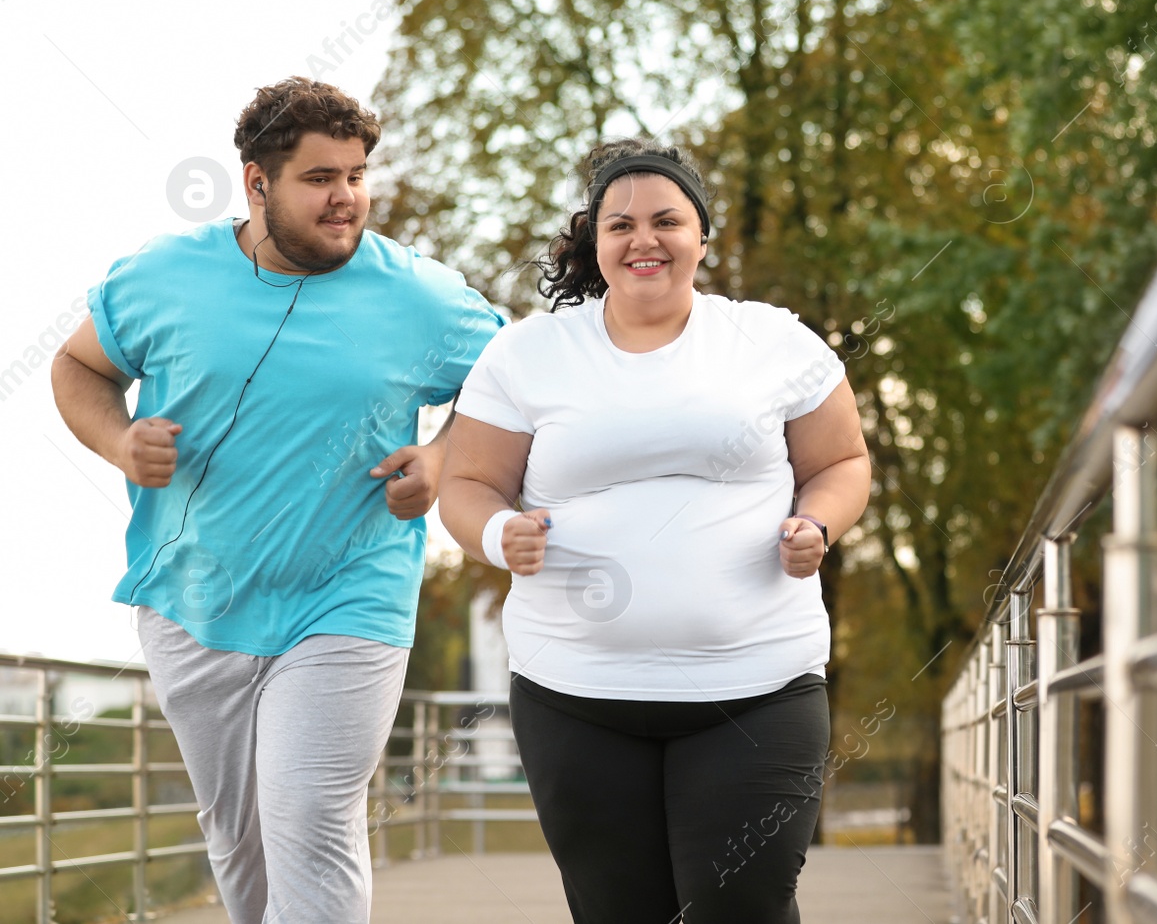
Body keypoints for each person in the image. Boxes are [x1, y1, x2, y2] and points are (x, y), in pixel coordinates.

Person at [50, 77, 505, 923]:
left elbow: (514, 381)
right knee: (237, 836)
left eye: (358, 175)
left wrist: (443, 457)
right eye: (320, 178)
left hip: (349, 596)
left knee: (311, 814)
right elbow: (77, 367)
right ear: (256, 183)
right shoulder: (162, 275)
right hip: (193, 598)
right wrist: (119, 441)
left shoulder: (416, 294)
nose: (346, 200)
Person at [438, 136, 871, 923]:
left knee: (742, 908)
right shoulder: (526, 353)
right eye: (621, 224)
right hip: (575, 695)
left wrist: (819, 521)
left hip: (758, 688)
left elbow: (842, 460)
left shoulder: (772, 341)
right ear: (594, 242)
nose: (644, 239)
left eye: (667, 220)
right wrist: (501, 533)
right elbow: (466, 483)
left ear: (702, 235)